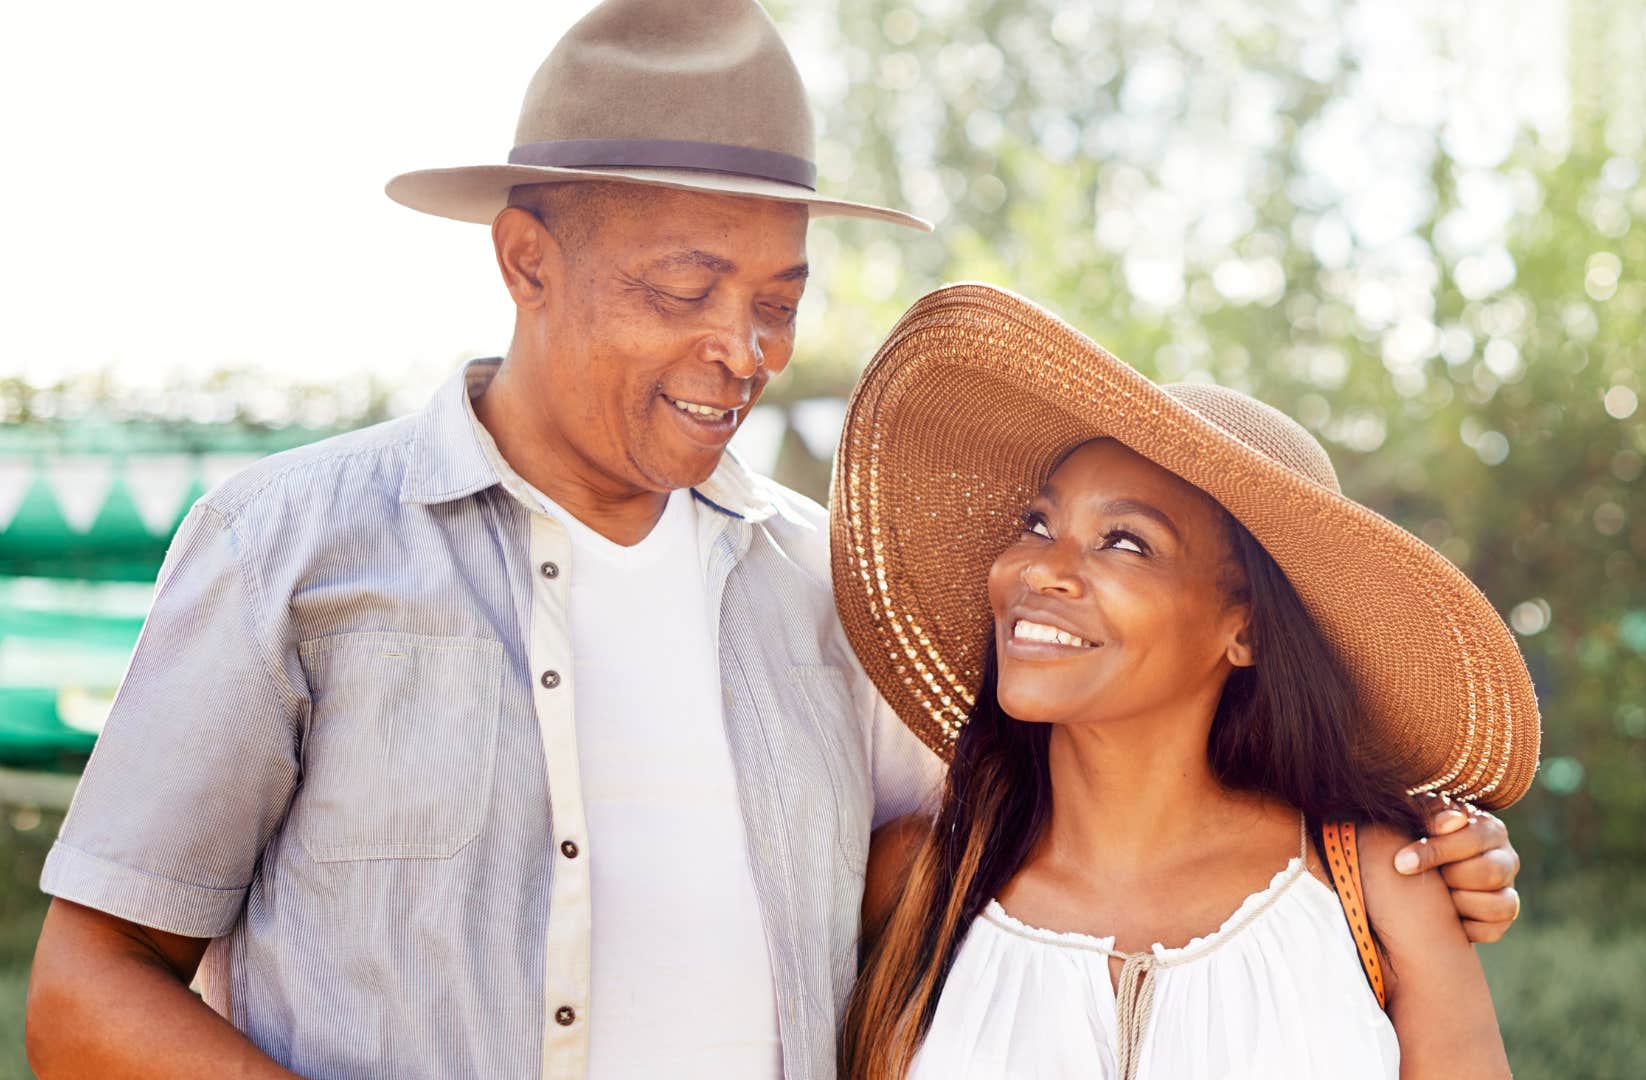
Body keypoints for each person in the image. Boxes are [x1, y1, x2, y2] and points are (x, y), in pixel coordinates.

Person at [24, 4, 1523, 1079]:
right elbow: (86, 991)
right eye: (684, 287)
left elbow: (1075, 826)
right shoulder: (290, 550)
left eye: (779, 298)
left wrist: (1412, 865)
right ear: (526, 259)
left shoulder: (823, 592)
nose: (741, 350)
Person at [833, 284, 1539, 1078]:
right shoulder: (914, 883)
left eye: (1125, 542)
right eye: (1039, 524)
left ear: (1245, 627)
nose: (1043, 571)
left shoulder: (1376, 889)